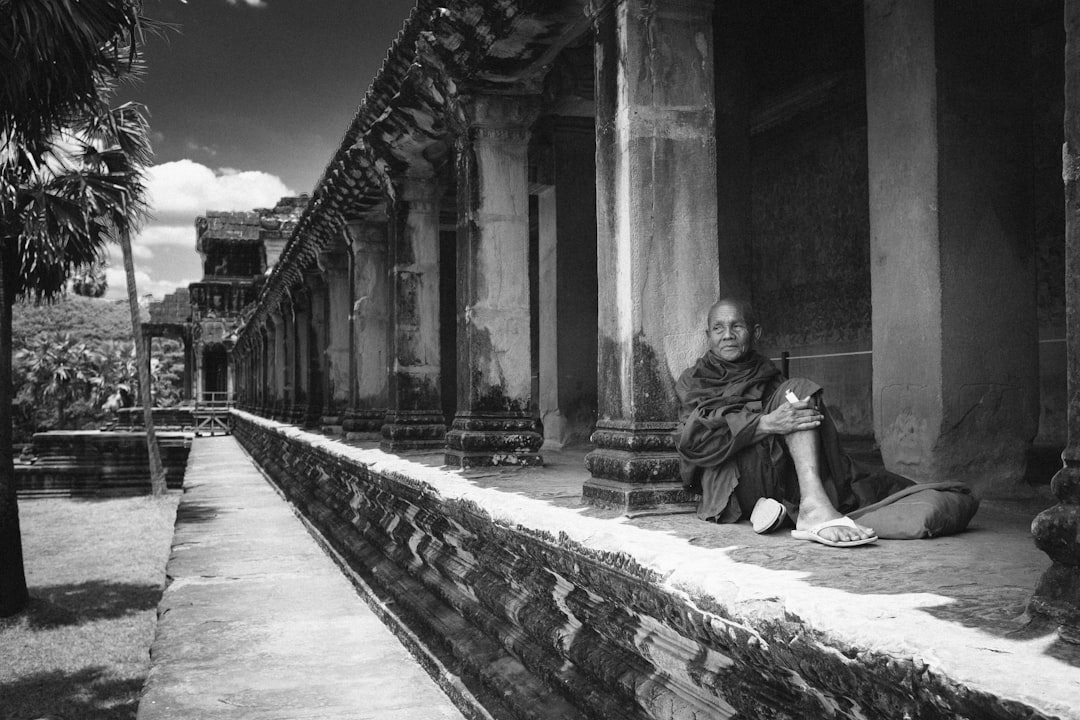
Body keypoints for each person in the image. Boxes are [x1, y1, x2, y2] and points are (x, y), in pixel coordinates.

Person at [674, 298, 911, 547]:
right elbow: (695, 442)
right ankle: (802, 508)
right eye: (718, 328)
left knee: (799, 390)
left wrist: (775, 423)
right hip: (731, 481)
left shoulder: (767, 374)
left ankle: (808, 505)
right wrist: (765, 424)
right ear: (708, 335)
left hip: (774, 473)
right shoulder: (693, 381)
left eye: (737, 326)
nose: (728, 335)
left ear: (755, 333)